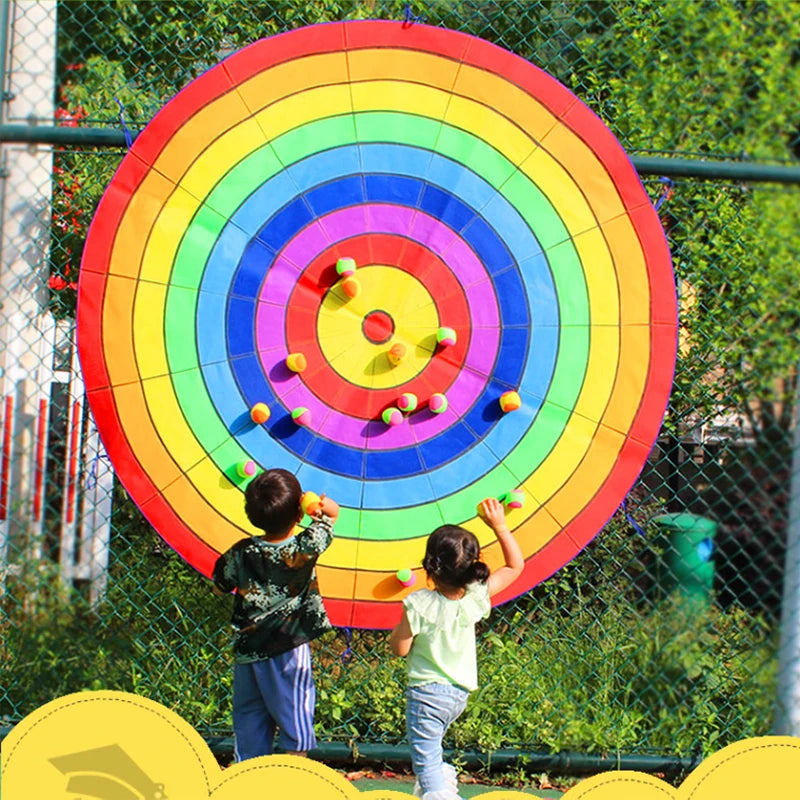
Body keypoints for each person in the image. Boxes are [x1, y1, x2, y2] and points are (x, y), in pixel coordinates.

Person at [389, 498, 524, 800]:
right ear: (471, 567)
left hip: (426, 695)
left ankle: (439, 792)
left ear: (430, 565)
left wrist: (399, 629)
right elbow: (516, 566)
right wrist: (500, 526)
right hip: (457, 696)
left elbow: (399, 648)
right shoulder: (475, 597)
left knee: (425, 762)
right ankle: (439, 783)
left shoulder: (420, 604)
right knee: (432, 753)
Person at [212, 467, 339, 761]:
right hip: (288, 648)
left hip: (247, 650)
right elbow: (328, 520)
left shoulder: (241, 552)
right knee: (295, 714)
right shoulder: (304, 547)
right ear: (298, 514)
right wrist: (321, 508)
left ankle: (250, 780)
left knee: (249, 719)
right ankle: (294, 775)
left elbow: (220, 584)